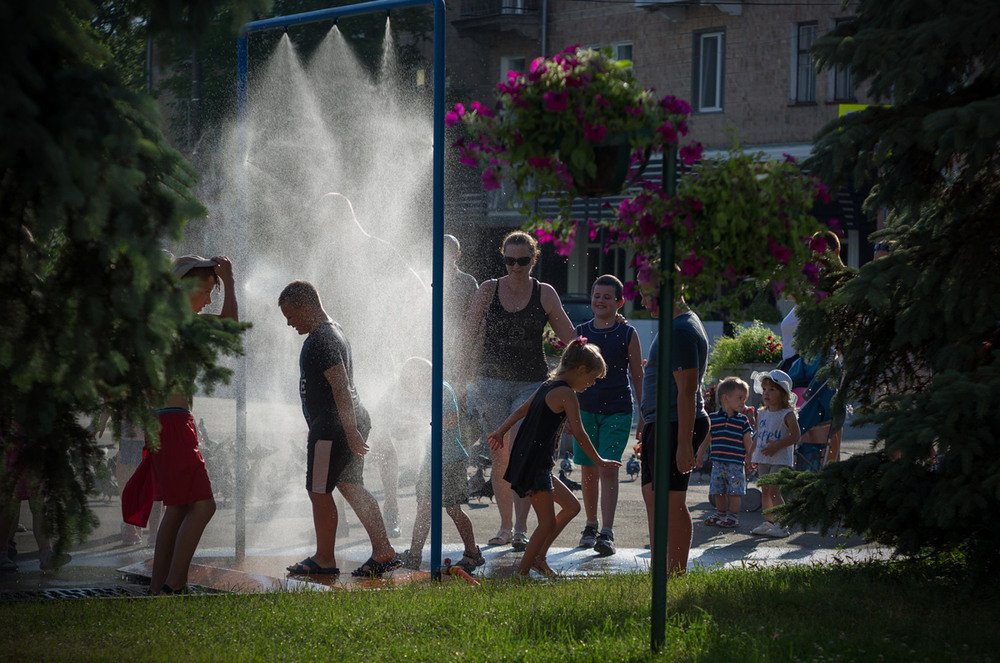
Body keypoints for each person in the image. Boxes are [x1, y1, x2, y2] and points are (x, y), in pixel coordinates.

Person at [122, 254, 237, 595]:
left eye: (215, 291)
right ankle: (176, 583)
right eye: (208, 289)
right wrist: (230, 281)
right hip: (173, 424)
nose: (210, 299)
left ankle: (159, 588)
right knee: (204, 505)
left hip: (164, 422)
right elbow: (230, 325)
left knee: (177, 509)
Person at [458, 230, 577, 551]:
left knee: (523, 447)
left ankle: (522, 529)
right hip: (490, 382)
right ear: (503, 258)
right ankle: (505, 526)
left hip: (531, 382)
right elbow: (467, 336)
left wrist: (586, 363)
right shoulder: (487, 290)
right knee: (499, 454)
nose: (515, 267)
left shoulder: (545, 292)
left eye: (522, 261)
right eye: (509, 260)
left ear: (533, 259)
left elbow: (570, 337)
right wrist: (458, 381)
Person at [278, 280, 399, 578]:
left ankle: (324, 558)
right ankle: (383, 552)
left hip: (333, 426)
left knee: (318, 490)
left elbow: (341, 386)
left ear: (307, 307)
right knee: (350, 485)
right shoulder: (333, 330)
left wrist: (349, 431)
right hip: (344, 422)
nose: (290, 324)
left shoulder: (322, 338)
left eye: (291, 316)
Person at [487, 339, 621, 578]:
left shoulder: (548, 385)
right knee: (547, 523)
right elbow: (580, 434)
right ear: (580, 370)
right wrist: (599, 461)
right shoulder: (566, 394)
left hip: (533, 460)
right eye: (591, 378)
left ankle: (539, 558)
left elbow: (520, 412)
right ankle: (522, 572)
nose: (591, 384)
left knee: (571, 507)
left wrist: (501, 431)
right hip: (536, 464)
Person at [639, 288, 711, 577]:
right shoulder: (673, 326)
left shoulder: (681, 330)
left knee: (671, 503)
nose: (642, 301)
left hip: (675, 423)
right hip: (660, 421)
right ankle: (659, 572)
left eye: (646, 294)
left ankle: (676, 574)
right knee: (653, 499)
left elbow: (687, 391)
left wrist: (683, 443)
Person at [572, 275, 643, 556]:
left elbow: (637, 375)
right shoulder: (580, 332)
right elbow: (570, 375)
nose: (600, 301)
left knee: (609, 469)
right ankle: (590, 526)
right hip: (584, 409)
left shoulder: (627, 333)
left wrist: (646, 414)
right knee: (588, 470)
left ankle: (607, 532)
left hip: (618, 409)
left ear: (619, 302)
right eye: (596, 295)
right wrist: (567, 414)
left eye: (607, 297)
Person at [391, 358, 484, 574]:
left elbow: (451, 420)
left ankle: (472, 552)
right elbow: (422, 423)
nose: (411, 388)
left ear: (422, 376)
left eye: (411, 382)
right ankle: (414, 554)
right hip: (430, 460)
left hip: (450, 459)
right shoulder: (423, 394)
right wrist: (407, 430)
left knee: (453, 508)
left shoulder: (442, 388)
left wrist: (422, 425)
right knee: (423, 507)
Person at [748, 369, 801, 538]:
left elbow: (796, 435)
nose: (766, 393)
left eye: (772, 389)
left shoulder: (787, 414)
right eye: (764, 389)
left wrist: (777, 445)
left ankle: (783, 524)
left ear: (783, 393)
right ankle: (768, 521)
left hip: (779, 458)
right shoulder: (762, 413)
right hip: (763, 457)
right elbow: (758, 435)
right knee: (765, 490)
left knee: (774, 490)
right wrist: (750, 454)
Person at [695, 377, 754, 529]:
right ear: (725, 398)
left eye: (744, 399)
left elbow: (748, 442)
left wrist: (751, 459)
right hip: (718, 462)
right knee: (718, 490)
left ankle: (733, 517)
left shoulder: (743, 420)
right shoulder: (713, 418)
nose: (743, 403)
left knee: (735, 492)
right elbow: (706, 439)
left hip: (736, 463)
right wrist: (700, 455)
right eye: (740, 398)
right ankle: (720, 514)